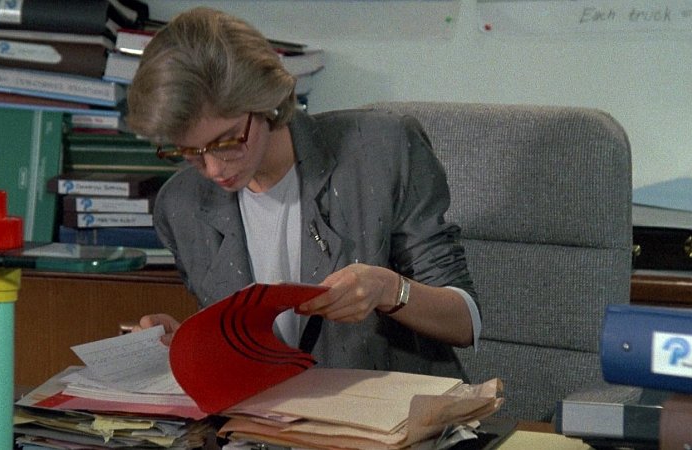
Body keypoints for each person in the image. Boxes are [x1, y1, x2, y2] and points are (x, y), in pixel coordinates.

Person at [126, 7, 481, 380]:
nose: (213, 168)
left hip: (392, 407)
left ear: (266, 99)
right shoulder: (180, 206)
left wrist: (388, 289)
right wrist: (188, 341)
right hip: (272, 412)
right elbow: (248, 347)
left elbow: (465, 322)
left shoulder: (381, 151)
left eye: (227, 141)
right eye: (190, 151)